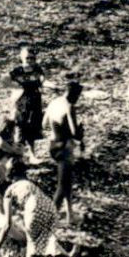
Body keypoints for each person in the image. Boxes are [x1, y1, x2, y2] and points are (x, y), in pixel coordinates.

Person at [45, 80, 85, 225]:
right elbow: (75, 133)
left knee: (66, 182)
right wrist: (80, 131)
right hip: (65, 148)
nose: (77, 100)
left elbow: (44, 124)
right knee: (62, 186)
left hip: (53, 145)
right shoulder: (69, 106)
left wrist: (58, 126)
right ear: (73, 94)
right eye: (77, 96)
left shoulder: (54, 102)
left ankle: (70, 214)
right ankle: (49, 219)